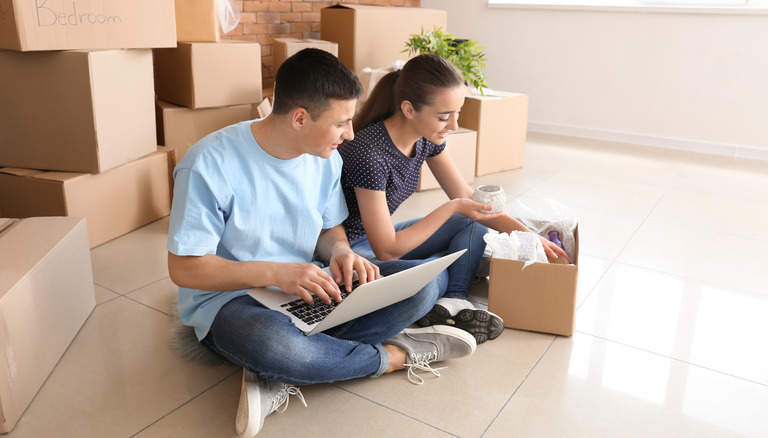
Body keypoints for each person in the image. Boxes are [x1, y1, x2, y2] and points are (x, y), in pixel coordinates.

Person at [166, 49, 477, 438]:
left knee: (423, 285)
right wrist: (277, 272)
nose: (350, 134)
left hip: (309, 286)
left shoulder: (325, 158)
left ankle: (284, 371)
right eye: (342, 123)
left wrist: (343, 252)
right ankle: (394, 355)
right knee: (279, 347)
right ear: (300, 118)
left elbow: (329, 231)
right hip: (232, 299)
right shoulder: (209, 164)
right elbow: (184, 268)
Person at [339, 54, 569, 345]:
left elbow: (472, 203)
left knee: (473, 223)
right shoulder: (369, 152)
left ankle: (453, 302)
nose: (454, 124)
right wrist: (452, 207)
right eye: (444, 116)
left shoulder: (425, 138)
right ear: (408, 109)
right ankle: (449, 278)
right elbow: (386, 249)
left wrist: (530, 236)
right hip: (351, 253)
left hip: (379, 240)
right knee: (430, 271)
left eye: (457, 113)